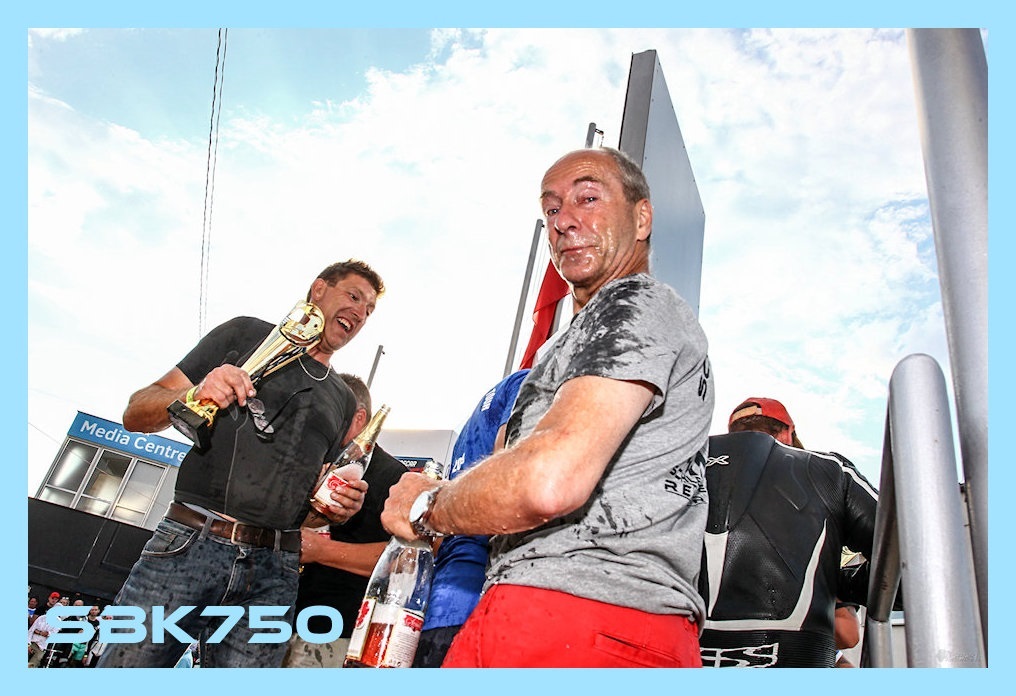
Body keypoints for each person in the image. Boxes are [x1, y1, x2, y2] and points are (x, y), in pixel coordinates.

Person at [382, 147, 714, 668]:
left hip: (582, 614)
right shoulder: (572, 347)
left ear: (642, 217)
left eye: (588, 198)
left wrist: (427, 507)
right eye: (552, 209)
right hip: (548, 606)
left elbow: (547, 481)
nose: (564, 221)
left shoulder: (634, 302)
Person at [98, 259, 384, 669]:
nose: (359, 312)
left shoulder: (341, 398)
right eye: (353, 296)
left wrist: (334, 509)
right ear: (319, 288)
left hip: (274, 572)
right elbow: (136, 413)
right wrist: (196, 393)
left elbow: (305, 511)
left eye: (369, 310)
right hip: (188, 546)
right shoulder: (245, 334)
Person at [698, 397, 879, 667]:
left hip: (676, 653)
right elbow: (906, 560)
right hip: (795, 657)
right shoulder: (830, 469)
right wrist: (838, 581)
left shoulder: (679, 468)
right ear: (788, 433)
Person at [282, 373, 408, 667]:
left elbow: (403, 560)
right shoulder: (306, 459)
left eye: (327, 413)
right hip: (274, 614)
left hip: (333, 631)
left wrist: (320, 550)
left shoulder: (393, 477)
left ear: (359, 419)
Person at [412, 368, 530, 667]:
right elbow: (509, 475)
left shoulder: (481, 412)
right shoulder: (526, 382)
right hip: (477, 599)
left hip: (444, 597)